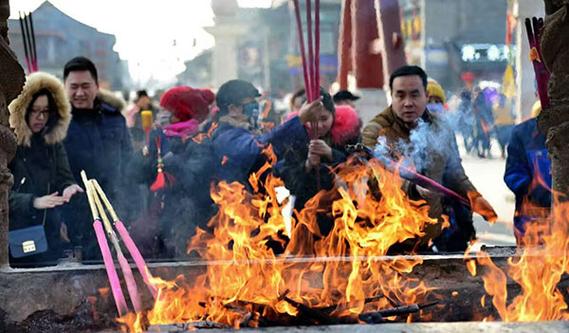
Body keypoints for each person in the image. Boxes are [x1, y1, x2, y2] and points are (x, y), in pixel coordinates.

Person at [361, 65, 497, 251]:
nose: (408, 102)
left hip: (431, 232)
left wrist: (474, 196)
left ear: (425, 95)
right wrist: (412, 189)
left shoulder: (441, 127)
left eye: (415, 95)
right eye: (400, 95)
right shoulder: (376, 131)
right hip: (390, 235)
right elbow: (378, 177)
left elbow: (455, 173)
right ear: (391, 96)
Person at [7, 72, 83, 266]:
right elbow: (3, 194)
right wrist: (33, 201)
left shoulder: (53, 142)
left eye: (46, 111)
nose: (41, 117)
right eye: (35, 111)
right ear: (22, 110)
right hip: (14, 237)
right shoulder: (8, 144)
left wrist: (69, 187)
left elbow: (64, 176)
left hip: (50, 234)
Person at [62, 56, 133, 260]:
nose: (80, 93)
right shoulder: (55, 123)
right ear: (65, 87)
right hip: (74, 213)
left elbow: (128, 164)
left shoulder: (114, 118)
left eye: (86, 86)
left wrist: (132, 208)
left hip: (114, 208)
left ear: (96, 86)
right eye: (73, 87)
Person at [276, 95, 361, 237]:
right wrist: (307, 165)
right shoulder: (294, 141)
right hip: (305, 212)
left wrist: (331, 154)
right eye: (312, 120)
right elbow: (289, 181)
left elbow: (359, 167)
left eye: (324, 119)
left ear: (333, 116)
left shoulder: (348, 136)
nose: (319, 125)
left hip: (342, 210)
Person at [211, 79, 323, 186]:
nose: (256, 106)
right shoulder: (225, 137)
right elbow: (260, 149)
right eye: (251, 102)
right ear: (233, 109)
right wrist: (299, 120)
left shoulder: (250, 131)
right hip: (237, 204)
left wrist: (305, 164)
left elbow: (269, 168)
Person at [504, 101, 551, 244]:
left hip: (564, 221)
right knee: (532, 263)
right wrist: (536, 193)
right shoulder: (522, 133)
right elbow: (513, 174)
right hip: (532, 221)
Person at [492, 93, 515, 159]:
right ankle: (502, 152)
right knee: (500, 141)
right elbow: (494, 117)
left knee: (509, 141)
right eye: (500, 99)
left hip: (508, 125)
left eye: (503, 99)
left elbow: (513, 115)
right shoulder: (495, 107)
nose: (501, 100)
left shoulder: (509, 106)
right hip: (499, 126)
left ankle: (509, 153)